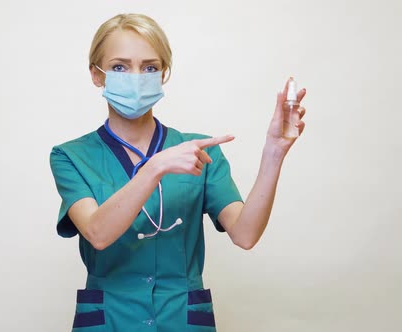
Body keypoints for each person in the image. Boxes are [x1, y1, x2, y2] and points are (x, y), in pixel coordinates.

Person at [49, 13, 306, 331]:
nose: (136, 77)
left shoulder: (201, 151)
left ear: (163, 74)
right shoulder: (71, 157)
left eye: (149, 67)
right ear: (96, 74)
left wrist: (274, 153)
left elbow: (246, 234)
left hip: (182, 320)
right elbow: (98, 234)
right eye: (119, 66)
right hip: (111, 321)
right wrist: (155, 167)